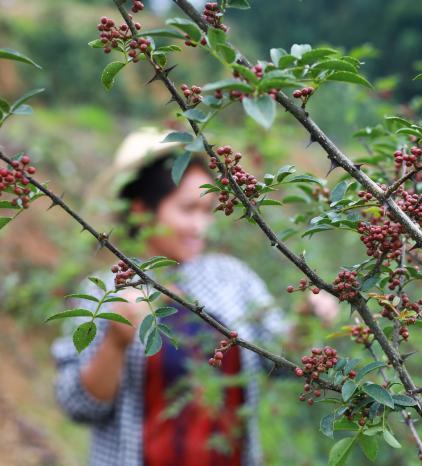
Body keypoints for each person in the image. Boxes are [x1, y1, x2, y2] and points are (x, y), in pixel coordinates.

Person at [51, 128, 338, 466]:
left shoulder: (232, 278)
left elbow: (283, 364)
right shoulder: (105, 291)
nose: (201, 226)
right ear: (143, 210)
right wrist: (115, 341)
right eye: (188, 210)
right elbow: (78, 406)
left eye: (207, 210)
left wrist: (306, 319)